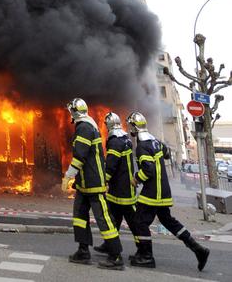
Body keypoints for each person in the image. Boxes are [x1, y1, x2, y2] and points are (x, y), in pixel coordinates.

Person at [127, 111, 210, 271]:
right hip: (163, 191)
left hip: (153, 193)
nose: (130, 129)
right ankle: (198, 249)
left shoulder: (142, 146)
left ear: (135, 127)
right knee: (168, 221)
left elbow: (148, 170)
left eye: (131, 126)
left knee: (139, 222)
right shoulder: (155, 142)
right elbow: (166, 154)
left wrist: (136, 178)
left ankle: (146, 256)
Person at [63, 98, 124, 270]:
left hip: (93, 182)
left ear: (74, 112)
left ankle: (116, 256)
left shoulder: (84, 127)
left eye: (70, 111)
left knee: (103, 218)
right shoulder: (87, 125)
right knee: (79, 216)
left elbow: (80, 156)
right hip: (84, 183)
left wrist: (68, 176)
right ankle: (83, 251)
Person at [94, 111, 138, 255]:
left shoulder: (114, 141)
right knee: (114, 219)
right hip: (124, 188)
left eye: (106, 124)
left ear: (109, 124)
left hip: (120, 189)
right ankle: (109, 244)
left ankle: (144, 251)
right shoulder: (125, 138)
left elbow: (111, 165)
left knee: (133, 223)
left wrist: (104, 181)